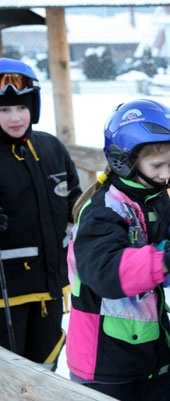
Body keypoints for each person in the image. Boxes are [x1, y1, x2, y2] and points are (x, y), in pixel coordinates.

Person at [66, 99, 170, 401]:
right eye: (157, 165)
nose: (165, 174)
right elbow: (107, 272)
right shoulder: (103, 211)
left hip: (149, 354)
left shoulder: (154, 200)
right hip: (104, 364)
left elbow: (155, 261)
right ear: (123, 160)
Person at [0, 57, 81, 370]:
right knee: (10, 375)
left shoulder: (51, 148)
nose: (15, 117)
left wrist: (96, 206)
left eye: (22, 107)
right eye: (4, 110)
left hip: (50, 286)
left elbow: (73, 200)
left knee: (44, 367)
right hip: (7, 294)